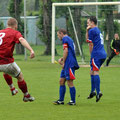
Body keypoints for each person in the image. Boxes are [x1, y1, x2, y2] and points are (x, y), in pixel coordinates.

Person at [0, 17, 35, 102]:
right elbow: (21, 39)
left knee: (6, 72)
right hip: (6, 62)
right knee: (20, 77)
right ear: (15, 26)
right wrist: (31, 50)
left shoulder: (0, 32)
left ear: (7, 25)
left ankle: (12, 89)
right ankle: (26, 95)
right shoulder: (14, 33)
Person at [53, 29, 79, 105]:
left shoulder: (65, 39)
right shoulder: (68, 39)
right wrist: (62, 58)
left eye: (58, 35)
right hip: (67, 62)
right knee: (61, 81)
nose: (58, 37)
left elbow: (66, 51)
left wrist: (63, 62)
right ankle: (61, 100)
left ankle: (73, 101)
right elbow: (69, 51)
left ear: (61, 33)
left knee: (69, 82)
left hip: (69, 63)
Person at [86, 16, 107, 102]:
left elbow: (90, 44)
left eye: (88, 22)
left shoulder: (92, 30)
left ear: (92, 22)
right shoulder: (97, 30)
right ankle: (92, 91)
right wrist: (87, 30)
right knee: (92, 71)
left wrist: (92, 55)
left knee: (95, 71)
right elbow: (89, 40)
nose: (87, 24)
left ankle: (98, 92)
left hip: (97, 54)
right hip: (102, 54)